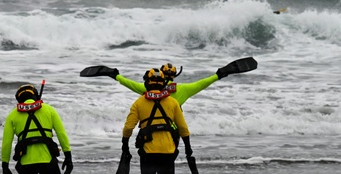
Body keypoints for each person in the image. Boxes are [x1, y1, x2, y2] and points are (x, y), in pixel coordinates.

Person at [122, 69, 192, 174]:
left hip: (148, 153)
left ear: (147, 83)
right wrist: (188, 148)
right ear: (163, 85)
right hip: (168, 152)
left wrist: (124, 145)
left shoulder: (139, 103)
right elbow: (183, 128)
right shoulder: (172, 103)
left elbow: (128, 128)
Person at [83, 57, 256, 107]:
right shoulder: (183, 90)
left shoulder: (146, 89)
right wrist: (220, 74)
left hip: (149, 138)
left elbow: (128, 83)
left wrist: (115, 75)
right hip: (171, 137)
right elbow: (204, 83)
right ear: (173, 77)